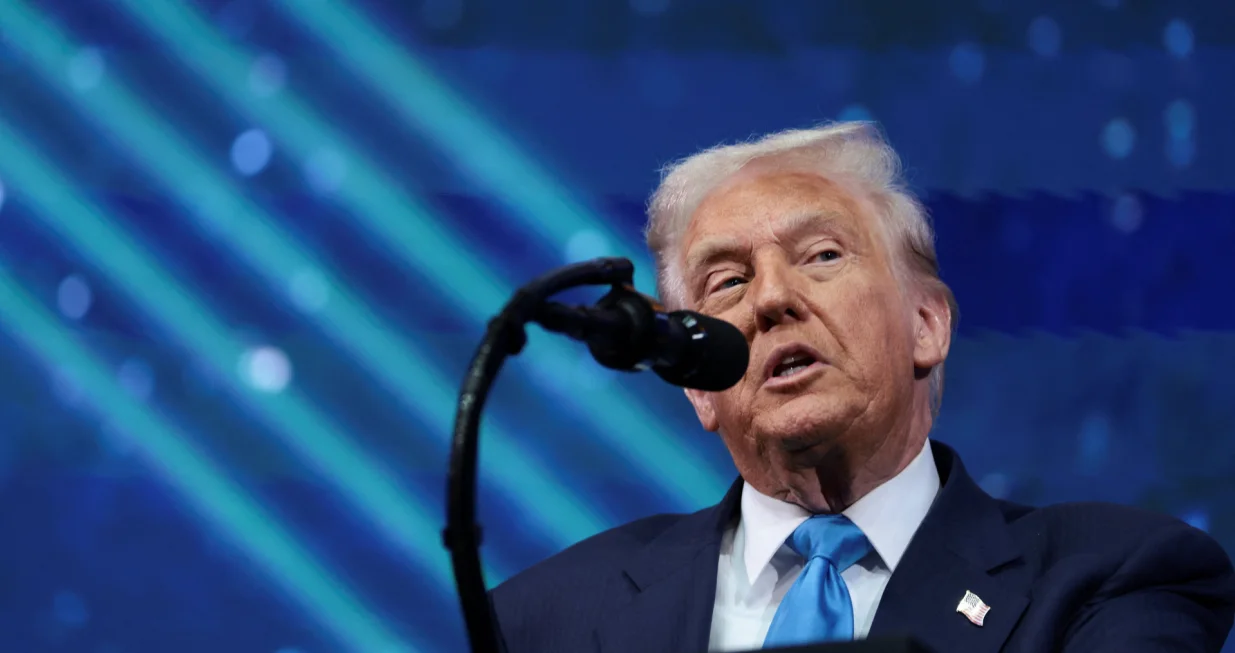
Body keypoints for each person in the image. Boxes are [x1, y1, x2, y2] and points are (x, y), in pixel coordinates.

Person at [489, 122, 1235, 652]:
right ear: (697, 386)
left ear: (926, 325)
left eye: (820, 255)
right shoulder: (541, 622)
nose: (771, 299)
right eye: (727, 281)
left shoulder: (1106, 581)